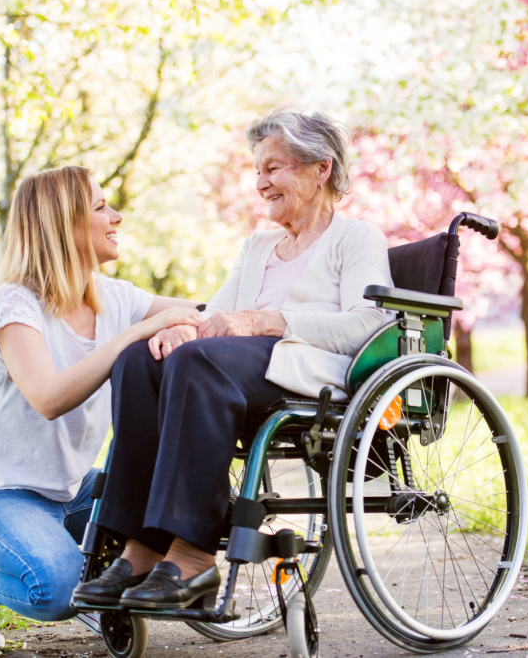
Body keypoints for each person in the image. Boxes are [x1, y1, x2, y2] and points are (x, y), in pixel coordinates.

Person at [73, 109, 391, 610]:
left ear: (320, 168)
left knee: (198, 363)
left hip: (306, 368)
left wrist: (267, 321)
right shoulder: (259, 246)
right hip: (243, 365)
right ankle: (141, 546)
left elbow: (367, 326)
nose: (260, 183)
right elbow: (216, 314)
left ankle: (194, 555)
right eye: (256, 171)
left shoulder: (356, 238)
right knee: (139, 360)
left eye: (273, 168)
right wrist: (182, 325)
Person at [0, 165, 201, 649]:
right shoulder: (15, 306)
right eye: (102, 208)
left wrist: (177, 324)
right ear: (64, 225)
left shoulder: (117, 297)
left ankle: (84, 575)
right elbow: (48, 398)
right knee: (57, 590)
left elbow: (199, 311)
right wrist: (133, 335)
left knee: (166, 529)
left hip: (71, 490)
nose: (117, 216)